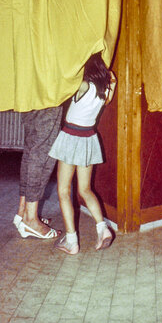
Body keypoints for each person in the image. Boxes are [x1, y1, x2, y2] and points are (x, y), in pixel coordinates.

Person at [48, 52, 117, 255]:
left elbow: (60, 87)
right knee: (85, 190)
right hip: (88, 137)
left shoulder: (82, 83)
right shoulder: (109, 81)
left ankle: (71, 241)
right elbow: (107, 99)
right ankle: (102, 228)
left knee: (63, 191)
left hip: (71, 136)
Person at [14, 106, 63, 239]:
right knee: (43, 151)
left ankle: (23, 212)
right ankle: (30, 219)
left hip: (29, 93)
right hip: (47, 93)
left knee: (32, 146)